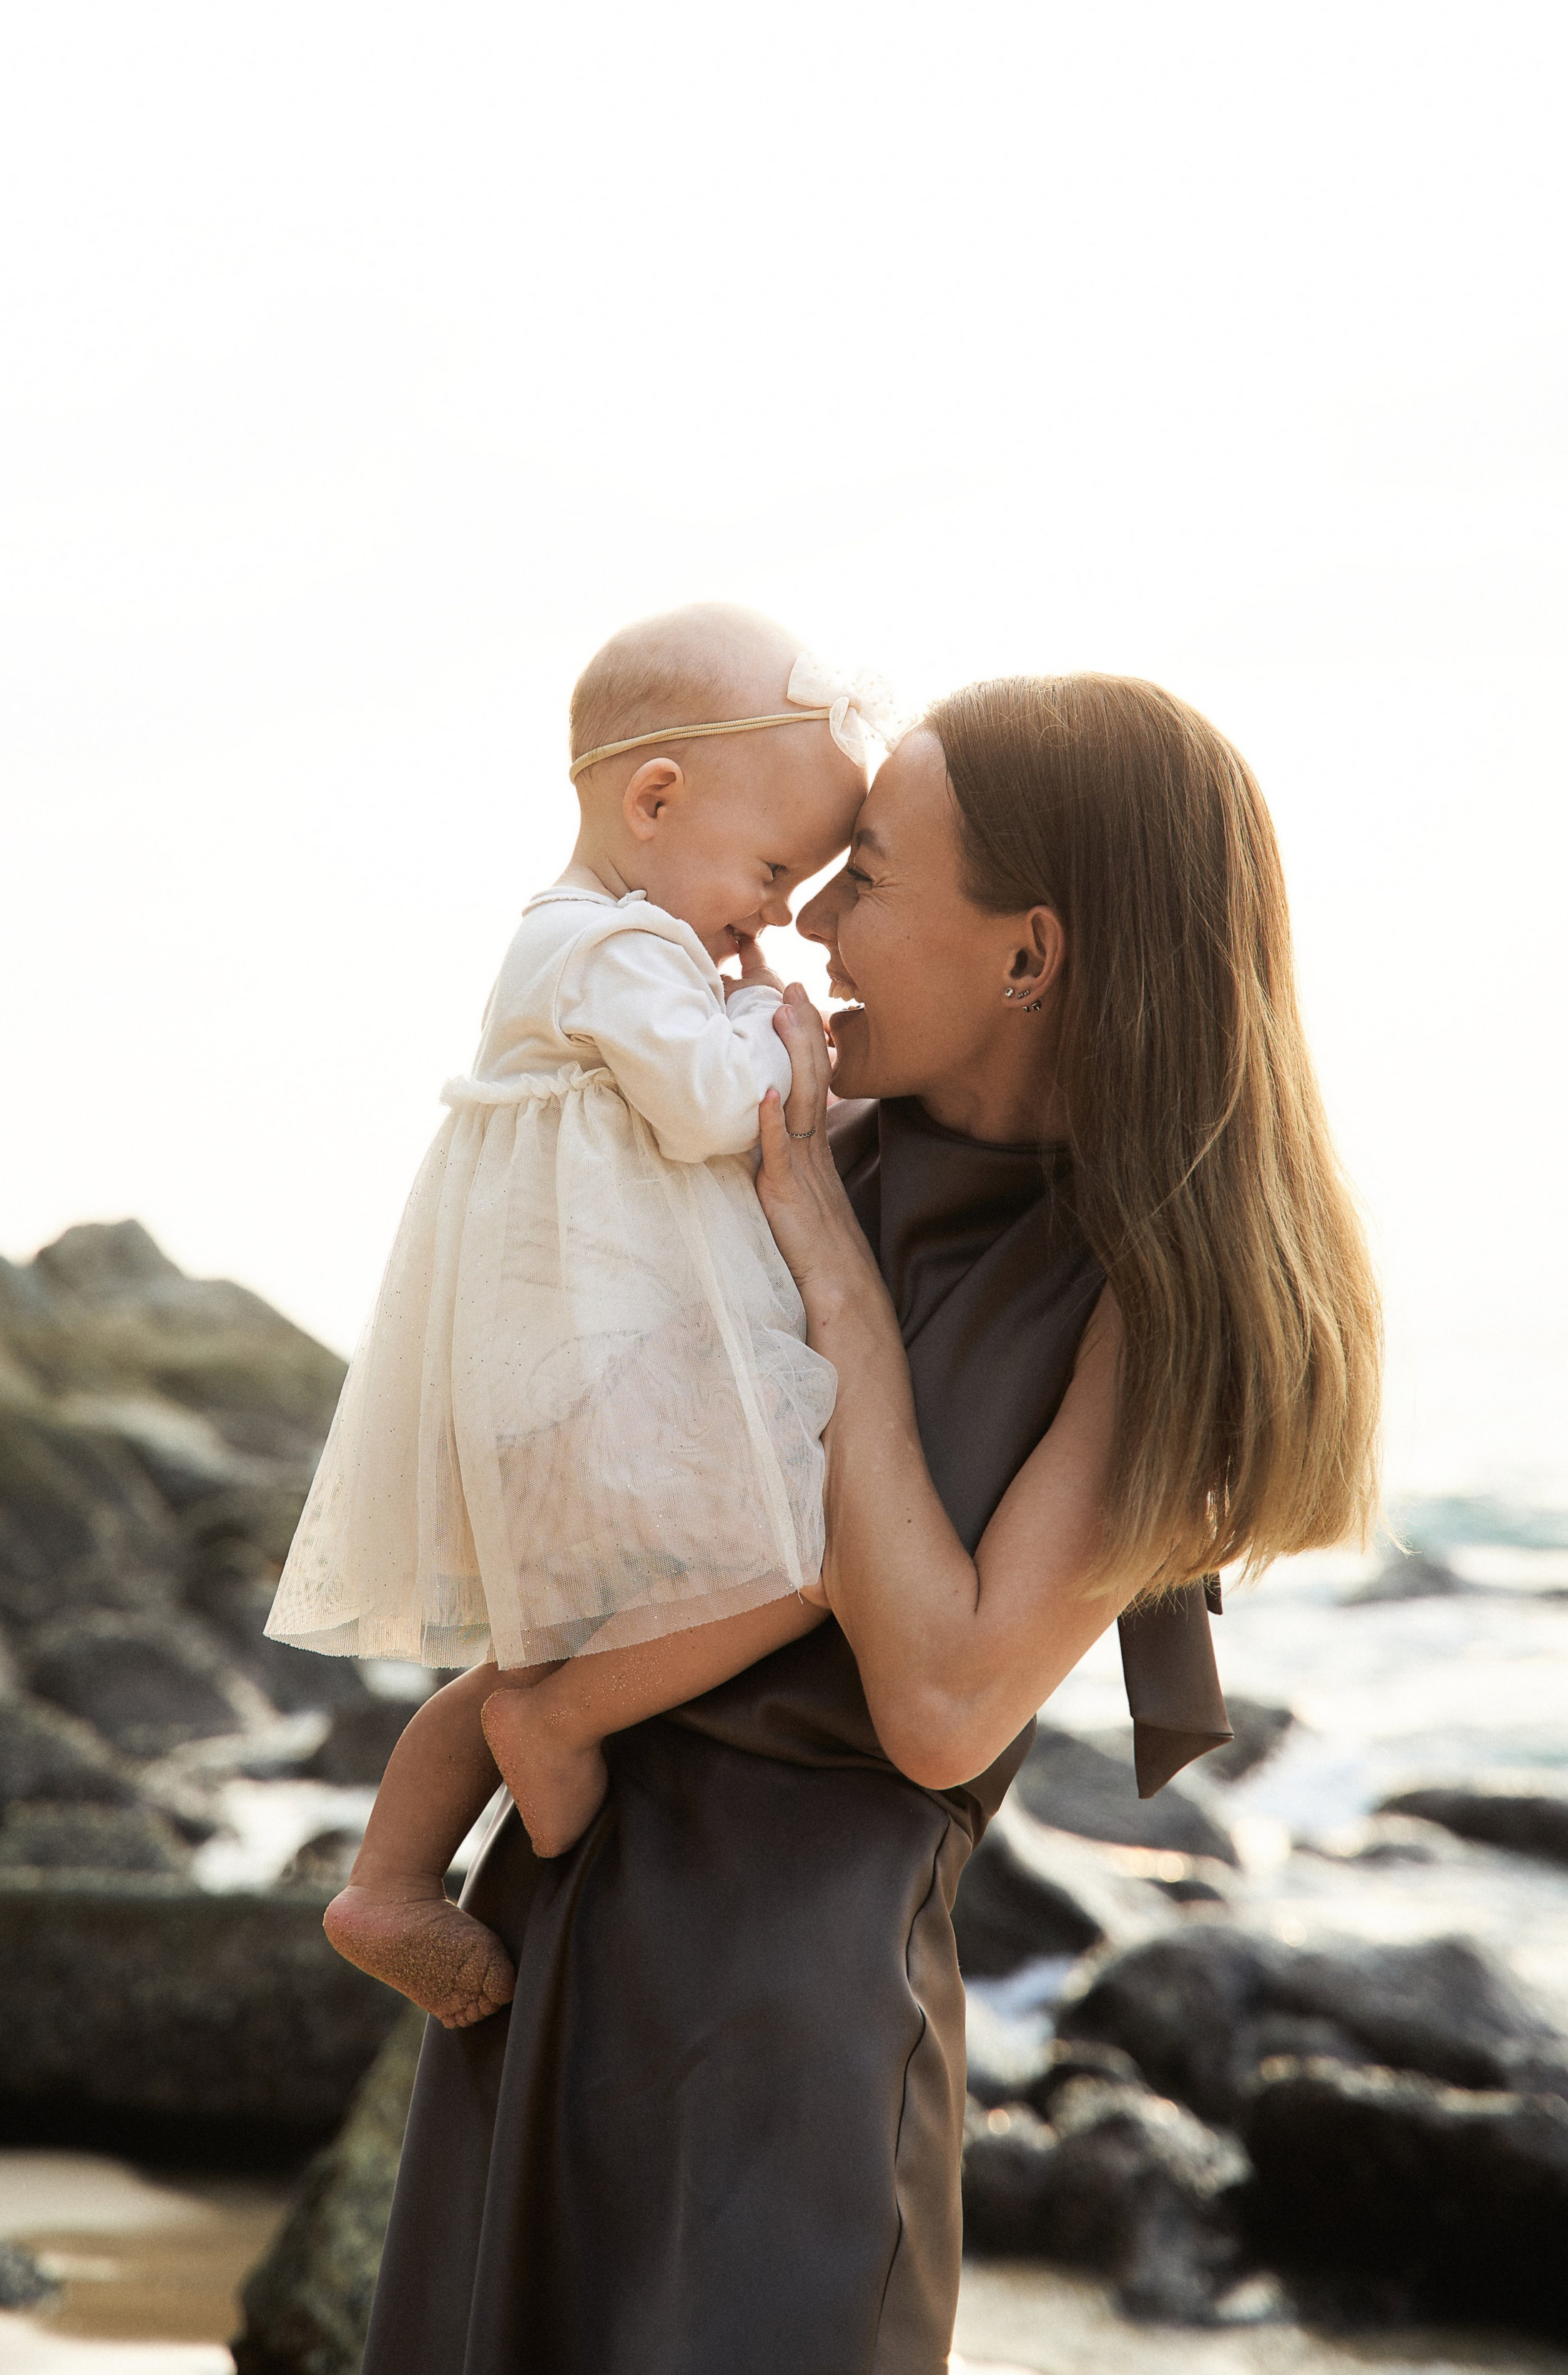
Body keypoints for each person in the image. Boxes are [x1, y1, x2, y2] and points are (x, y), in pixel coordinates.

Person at [361, 671, 1382, 2375]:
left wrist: (828, 1276)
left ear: (1029, 955)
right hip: (545, 1936)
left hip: (788, 2043)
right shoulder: (758, 1134)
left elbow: (939, 1704)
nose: (813, 919)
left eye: (872, 876)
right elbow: (530, 1481)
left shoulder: (1152, 1306)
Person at [267, 604, 888, 2028]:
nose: (776, 918)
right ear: (652, 799)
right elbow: (707, 1106)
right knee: (805, 1563)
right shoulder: (611, 950)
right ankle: (552, 1730)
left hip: (562, 1371)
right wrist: (782, 1033)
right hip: (598, 1374)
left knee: (548, 1637)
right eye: (771, 870)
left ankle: (390, 1882)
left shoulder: (594, 943)